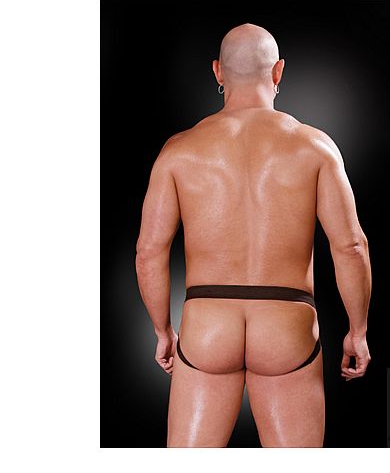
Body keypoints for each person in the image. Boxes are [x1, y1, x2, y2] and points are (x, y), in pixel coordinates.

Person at [135, 23, 372, 447]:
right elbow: (351, 246)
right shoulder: (315, 147)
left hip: (208, 323)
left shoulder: (179, 151)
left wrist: (163, 331)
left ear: (218, 72)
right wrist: (358, 331)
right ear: (278, 71)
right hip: (285, 323)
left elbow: (149, 251)